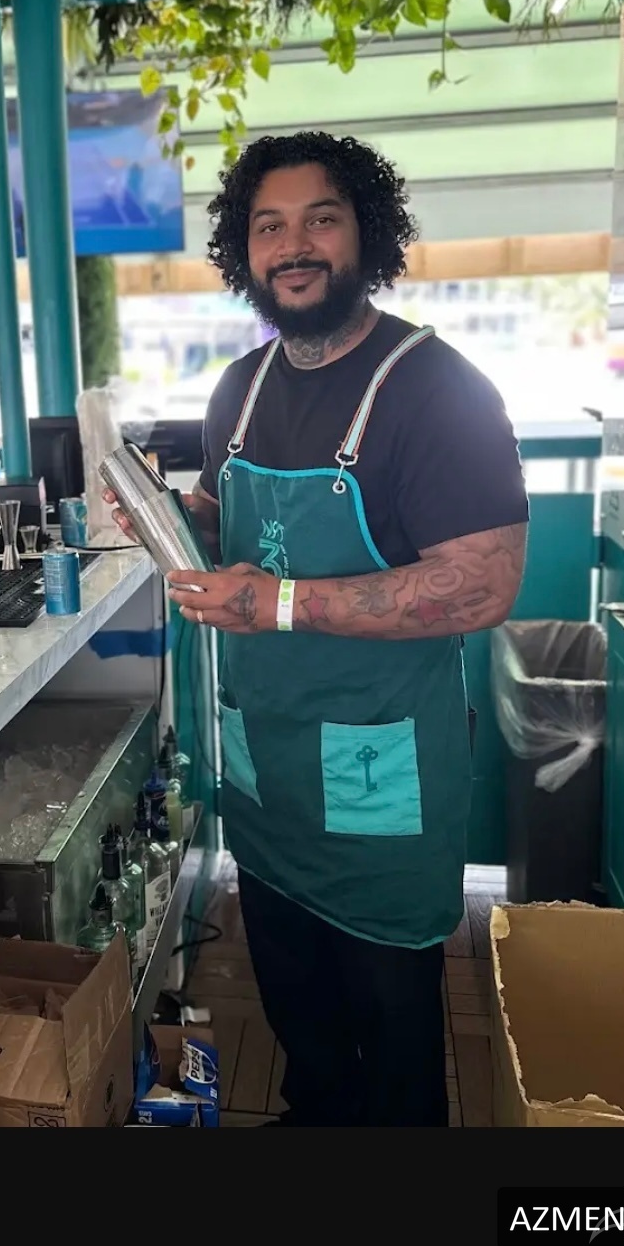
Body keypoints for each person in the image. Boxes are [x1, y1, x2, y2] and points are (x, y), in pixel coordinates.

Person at [106, 131, 528, 1126]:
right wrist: (167, 521)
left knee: (391, 1010)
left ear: (364, 234)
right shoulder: (238, 387)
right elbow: (230, 522)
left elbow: (481, 586)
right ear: (242, 251)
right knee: (293, 987)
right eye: (268, 227)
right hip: (269, 759)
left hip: (379, 770)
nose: (292, 246)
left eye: (319, 220)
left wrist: (282, 602)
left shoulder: (436, 388)